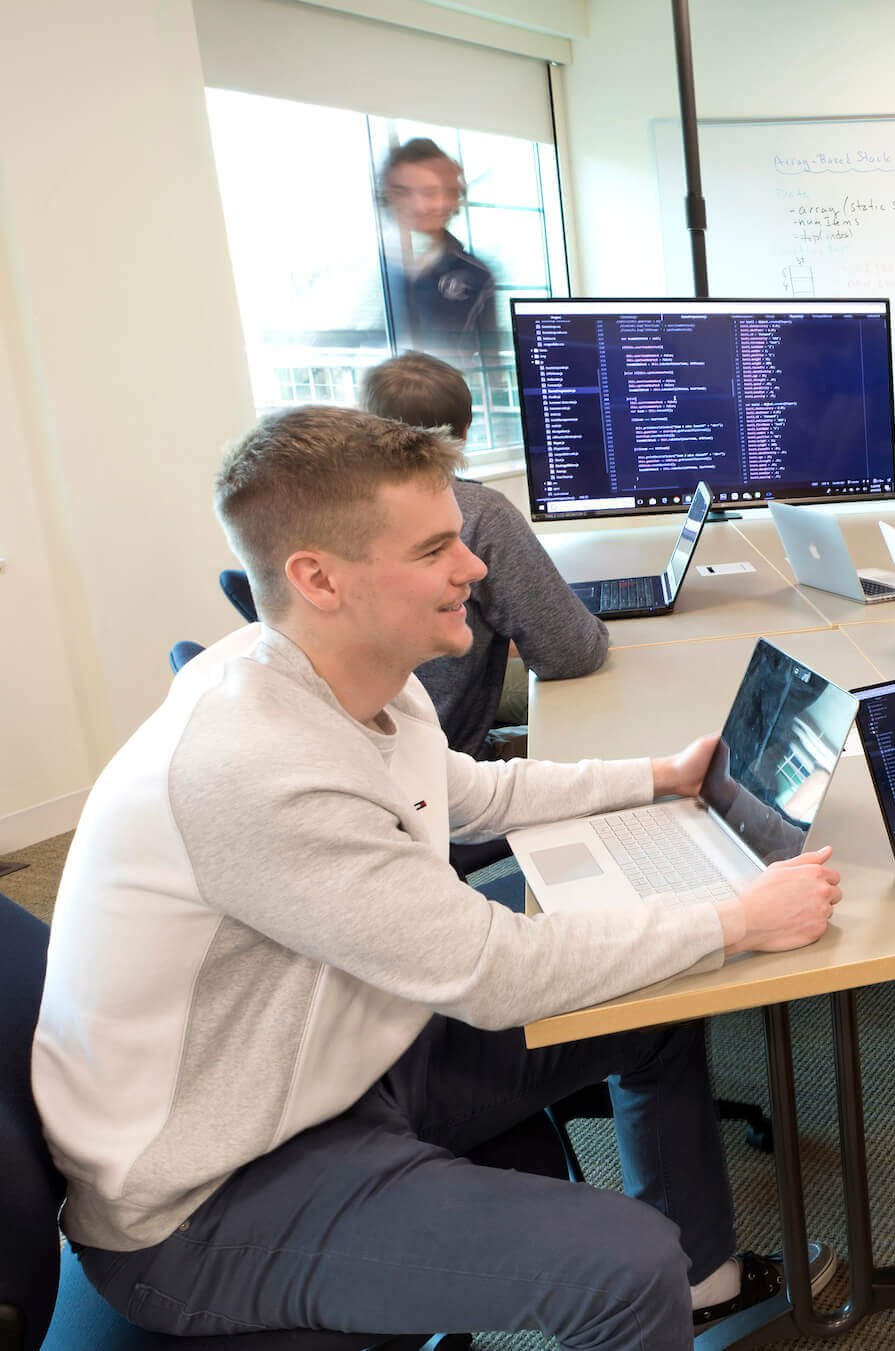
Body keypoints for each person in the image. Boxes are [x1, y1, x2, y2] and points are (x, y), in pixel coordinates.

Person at [33, 406, 845, 1348]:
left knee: (651, 1003)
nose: (474, 568)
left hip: (338, 1064)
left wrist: (657, 775)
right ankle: (669, 1285)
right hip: (208, 1200)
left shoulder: (359, 675)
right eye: (434, 551)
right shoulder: (255, 765)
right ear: (318, 578)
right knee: (625, 1270)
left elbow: (471, 794)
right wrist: (736, 920)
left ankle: (710, 1285)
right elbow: (497, 972)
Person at [360, 351, 608, 757]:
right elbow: (571, 655)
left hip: (391, 744)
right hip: (445, 762)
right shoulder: (478, 513)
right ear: (465, 431)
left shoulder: (336, 510)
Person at [378, 139, 501, 381]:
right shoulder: (372, 269)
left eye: (431, 192)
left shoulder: (476, 275)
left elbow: (491, 361)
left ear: (452, 196)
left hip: (449, 405)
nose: (420, 205)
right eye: (403, 192)